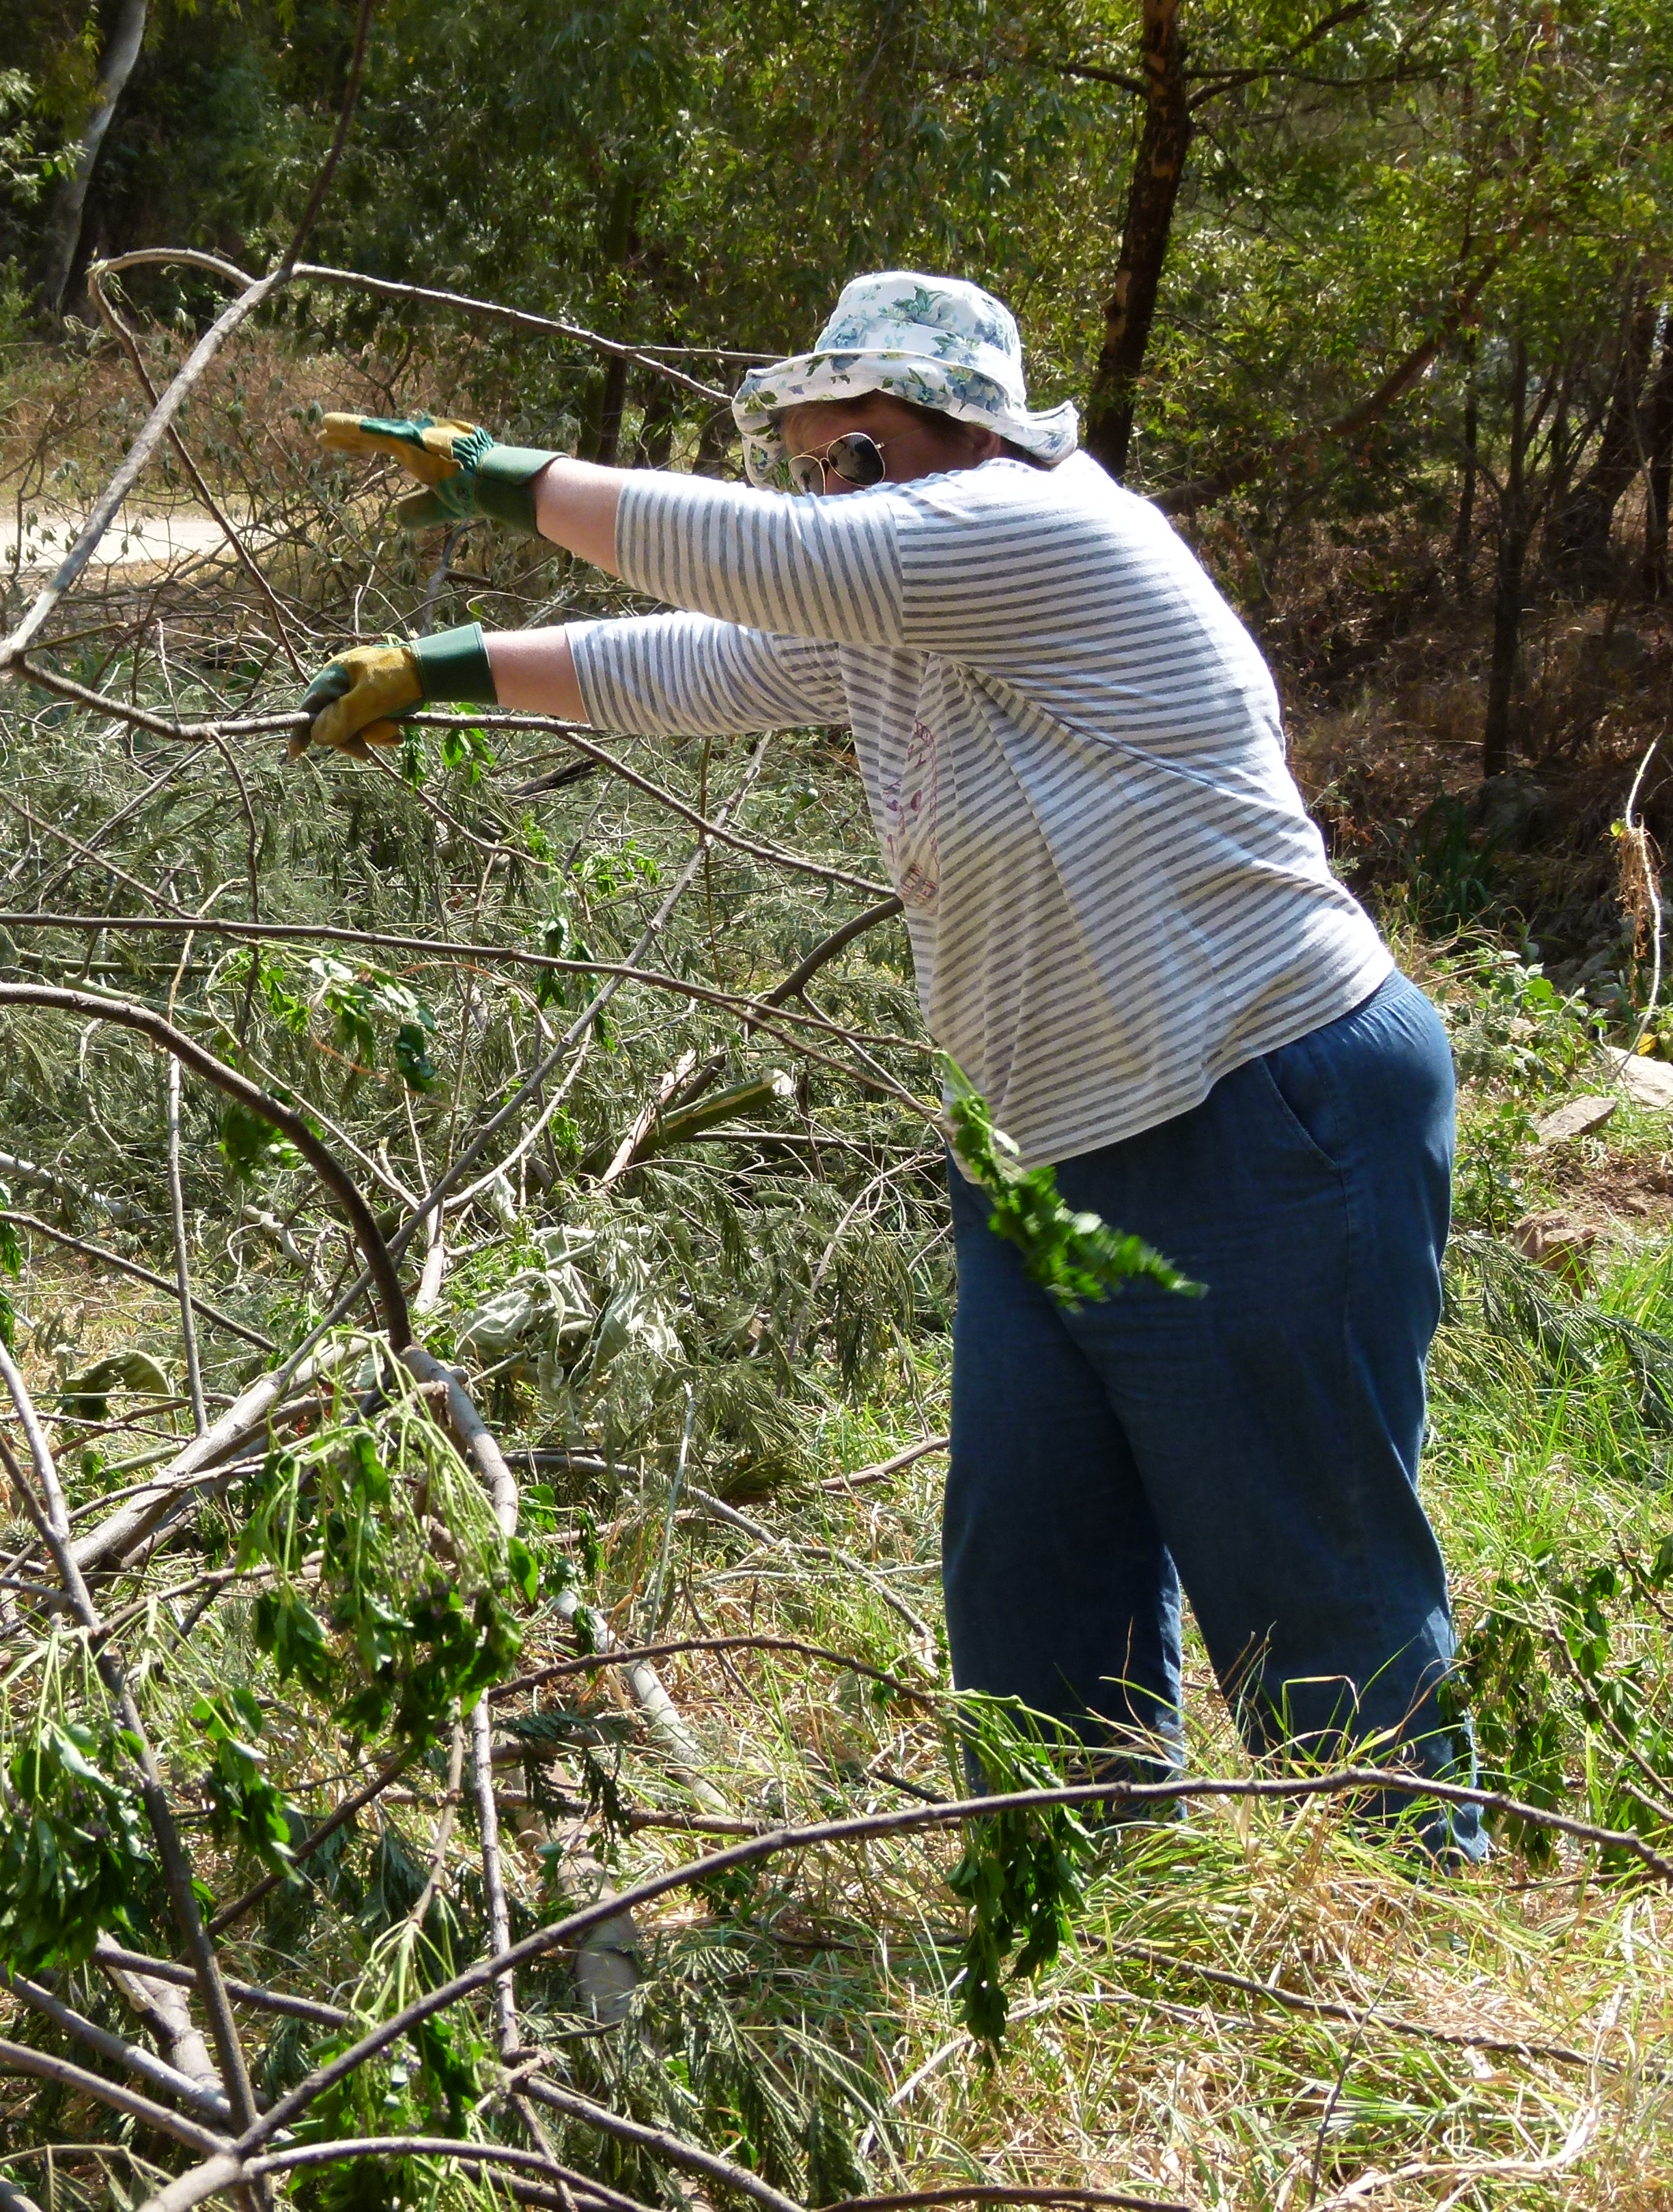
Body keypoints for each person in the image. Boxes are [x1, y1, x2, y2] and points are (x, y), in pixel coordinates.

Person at [299, 272, 1484, 1854]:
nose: (803, 480)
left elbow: (768, 560)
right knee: (1031, 1569)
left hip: (1259, 1101)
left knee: (1309, 1575)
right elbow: (695, 661)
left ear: (913, 435)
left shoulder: (1046, 529)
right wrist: (447, 670)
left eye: (826, 450)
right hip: (1046, 1140)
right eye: (794, 454)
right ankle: (1076, 1896)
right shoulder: (894, 616)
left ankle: (1402, 1924)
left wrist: (506, 474)